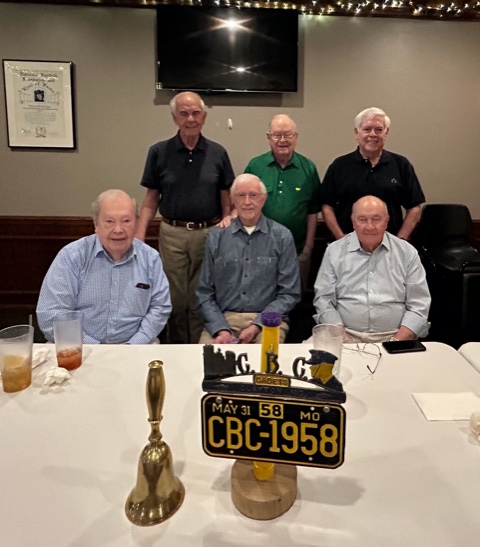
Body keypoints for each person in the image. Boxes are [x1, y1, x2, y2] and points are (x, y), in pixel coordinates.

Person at [135, 91, 235, 344]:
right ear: (174, 118)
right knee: (175, 299)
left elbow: (226, 195)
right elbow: (151, 198)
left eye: (196, 113)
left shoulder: (218, 152)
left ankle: (199, 347)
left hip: (209, 233)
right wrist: (139, 235)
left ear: (204, 116)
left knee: (201, 296)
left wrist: (226, 223)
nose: (191, 119)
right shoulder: (159, 152)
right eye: (184, 113)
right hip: (172, 234)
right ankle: (176, 347)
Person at [37, 189, 171, 344]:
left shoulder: (150, 258)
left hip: (136, 346)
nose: (118, 229)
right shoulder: (72, 256)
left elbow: (160, 307)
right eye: (109, 221)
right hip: (79, 346)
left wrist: (135, 344)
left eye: (126, 221)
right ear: (96, 224)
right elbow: (51, 314)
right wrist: (96, 348)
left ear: (136, 223)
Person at [196, 174, 301, 344]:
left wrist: (257, 326)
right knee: (205, 357)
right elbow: (204, 292)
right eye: (241, 195)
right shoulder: (217, 236)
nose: (247, 202)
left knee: (266, 357)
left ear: (263, 199)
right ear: (232, 200)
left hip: (269, 320)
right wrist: (221, 329)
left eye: (253, 195)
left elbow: (289, 294)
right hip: (223, 319)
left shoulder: (282, 236)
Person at [313, 195, 430, 343]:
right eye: (362, 219)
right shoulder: (334, 251)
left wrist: (395, 342)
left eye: (376, 219)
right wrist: (344, 339)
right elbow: (323, 300)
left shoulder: (407, 252)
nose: (369, 226)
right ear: (353, 222)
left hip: (396, 336)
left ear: (386, 221)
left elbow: (419, 306)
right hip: (343, 335)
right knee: (308, 356)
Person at [321, 107, 425, 241]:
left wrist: (399, 240)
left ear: (386, 133)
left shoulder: (401, 165)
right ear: (356, 133)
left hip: (389, 245)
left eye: (379, 130)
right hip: (348, 245)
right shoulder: (339, 165)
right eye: (367, 129)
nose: (373, 134)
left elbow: (414, 207)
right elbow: (326, 206)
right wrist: (341, 239)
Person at [244, 114, 321, 291]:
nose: (283, 140)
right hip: (259, 251)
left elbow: (313, 210)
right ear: (268, 137)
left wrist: (308, 247)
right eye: (277, 135)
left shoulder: (308, 168)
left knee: (295, 298)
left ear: (296, 137)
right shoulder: (255, 166)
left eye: (288, 135)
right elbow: (243, 206)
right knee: (260, 295)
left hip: (297, 250)